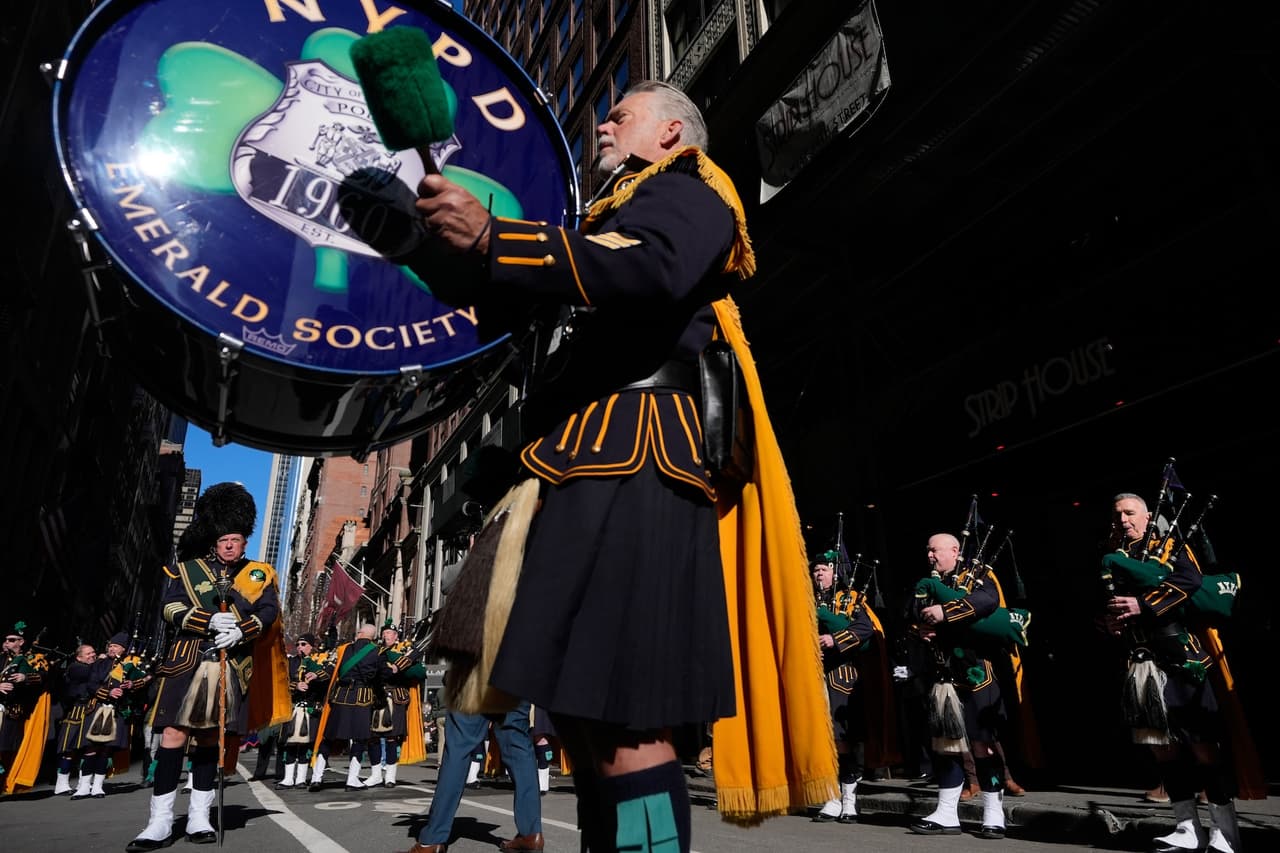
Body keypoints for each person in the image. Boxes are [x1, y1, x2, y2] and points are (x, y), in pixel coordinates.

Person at [403, 78, 837, 851]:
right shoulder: (600, 221)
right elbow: (510, 297)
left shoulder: (690, 184)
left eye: (622, 113)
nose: (603, 123)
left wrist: (500, 236)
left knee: (629, 716)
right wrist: (419, 240)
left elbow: (656, 269)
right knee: (580, 713)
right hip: (576, 462)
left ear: (672, 133)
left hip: (635, 458)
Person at [126, 482, 290, 851]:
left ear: (245, 540)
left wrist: (241, 632)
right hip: (186, 660)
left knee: (208, 739)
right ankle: (159, 822)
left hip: (230, 664)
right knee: (173, 736)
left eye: (235, 539)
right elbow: (170, 608)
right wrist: (208, 621)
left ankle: (200, 816)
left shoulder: (258, 575)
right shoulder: (187, 571)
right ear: (214, 542)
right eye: (223, 540)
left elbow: (268, 613)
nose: (229, 545)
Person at [1100, 493, 1249, 853]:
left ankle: (1225, 832)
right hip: (1141, 662)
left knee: (1202, 748)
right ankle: (1186, 828)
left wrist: (1143, 604)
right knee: (1161, 748)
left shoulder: (1169, 547)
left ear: (1148, 516)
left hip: (1181, 659)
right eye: (1118, 514)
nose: (1123, 520)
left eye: (1130, 513)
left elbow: (1191, 581)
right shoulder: (1115, 554)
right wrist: (1108, 622)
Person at [909, 533, 1010, 840]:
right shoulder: (925, 582)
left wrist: (945, 613)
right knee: (946, 743)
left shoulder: (978, 576)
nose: (929, 555)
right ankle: (946, 812)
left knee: (983, 743)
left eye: (934, 549)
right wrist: (920, 626)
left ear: (954, 550)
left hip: (978, 671)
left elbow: (987, 602)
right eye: (927, 549)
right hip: (943, 673)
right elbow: (911, 611)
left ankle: (994, 812)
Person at [406, 700, 543, 852]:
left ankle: (432, 840)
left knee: (459, 746)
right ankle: (531, 834)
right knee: (519, 746)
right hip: (515, 681)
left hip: (474, 680)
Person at [810, 552, 877, 824]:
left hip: (841, 676)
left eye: (824, 569)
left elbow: (865, 631)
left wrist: (833, 638)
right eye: (815, 570)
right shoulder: (805, 599)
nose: (818, 574)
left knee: (842, 739)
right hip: (813, 677)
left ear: (836, 573)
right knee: (822, 741)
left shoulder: (850, 599)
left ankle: (849, 800)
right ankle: (831, 797)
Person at [310, 623, 392, 792]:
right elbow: (385, 675)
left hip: (341, 697)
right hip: (362, 699)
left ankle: (316, 778)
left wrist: (315, 675)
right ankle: (352, 779)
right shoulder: (378, 652)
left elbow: (330, 668)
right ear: (372, 636)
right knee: (359, 739)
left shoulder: (343, 649)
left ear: (360, 633)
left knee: (329, 738)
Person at [364, 621, 427, 788]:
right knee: (373, 738)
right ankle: (376, 774)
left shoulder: (404, 651)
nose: (386, 635)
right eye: (384, 633)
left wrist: (400, 666)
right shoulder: (376, 651)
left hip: (396, 697)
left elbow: (420, 673)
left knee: (392, 738)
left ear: (396, 636)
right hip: (377, 696)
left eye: (389, 633)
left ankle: (390, 776)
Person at [0, 620, 51, 796]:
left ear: (21, 642)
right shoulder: (0, 658)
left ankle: (4, 784)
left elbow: (44, 677)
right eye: (6, 639)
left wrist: (26, 677)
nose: (7, 642)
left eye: (12, 639)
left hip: (13, 713)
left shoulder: (34, 659)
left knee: (5, 750)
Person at [276, 633, 330, 789]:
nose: (300, 647)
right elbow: (283, 681)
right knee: (290, 744)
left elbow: (327, 677)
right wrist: (296, 686)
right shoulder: (291, 662)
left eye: (304, 644)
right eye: (298, 644)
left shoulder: (322, 660)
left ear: (312, 646)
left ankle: (300, 778)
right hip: (294, 708)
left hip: (311, 709)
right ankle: (288, 778)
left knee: (306, 745)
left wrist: (315, 674)